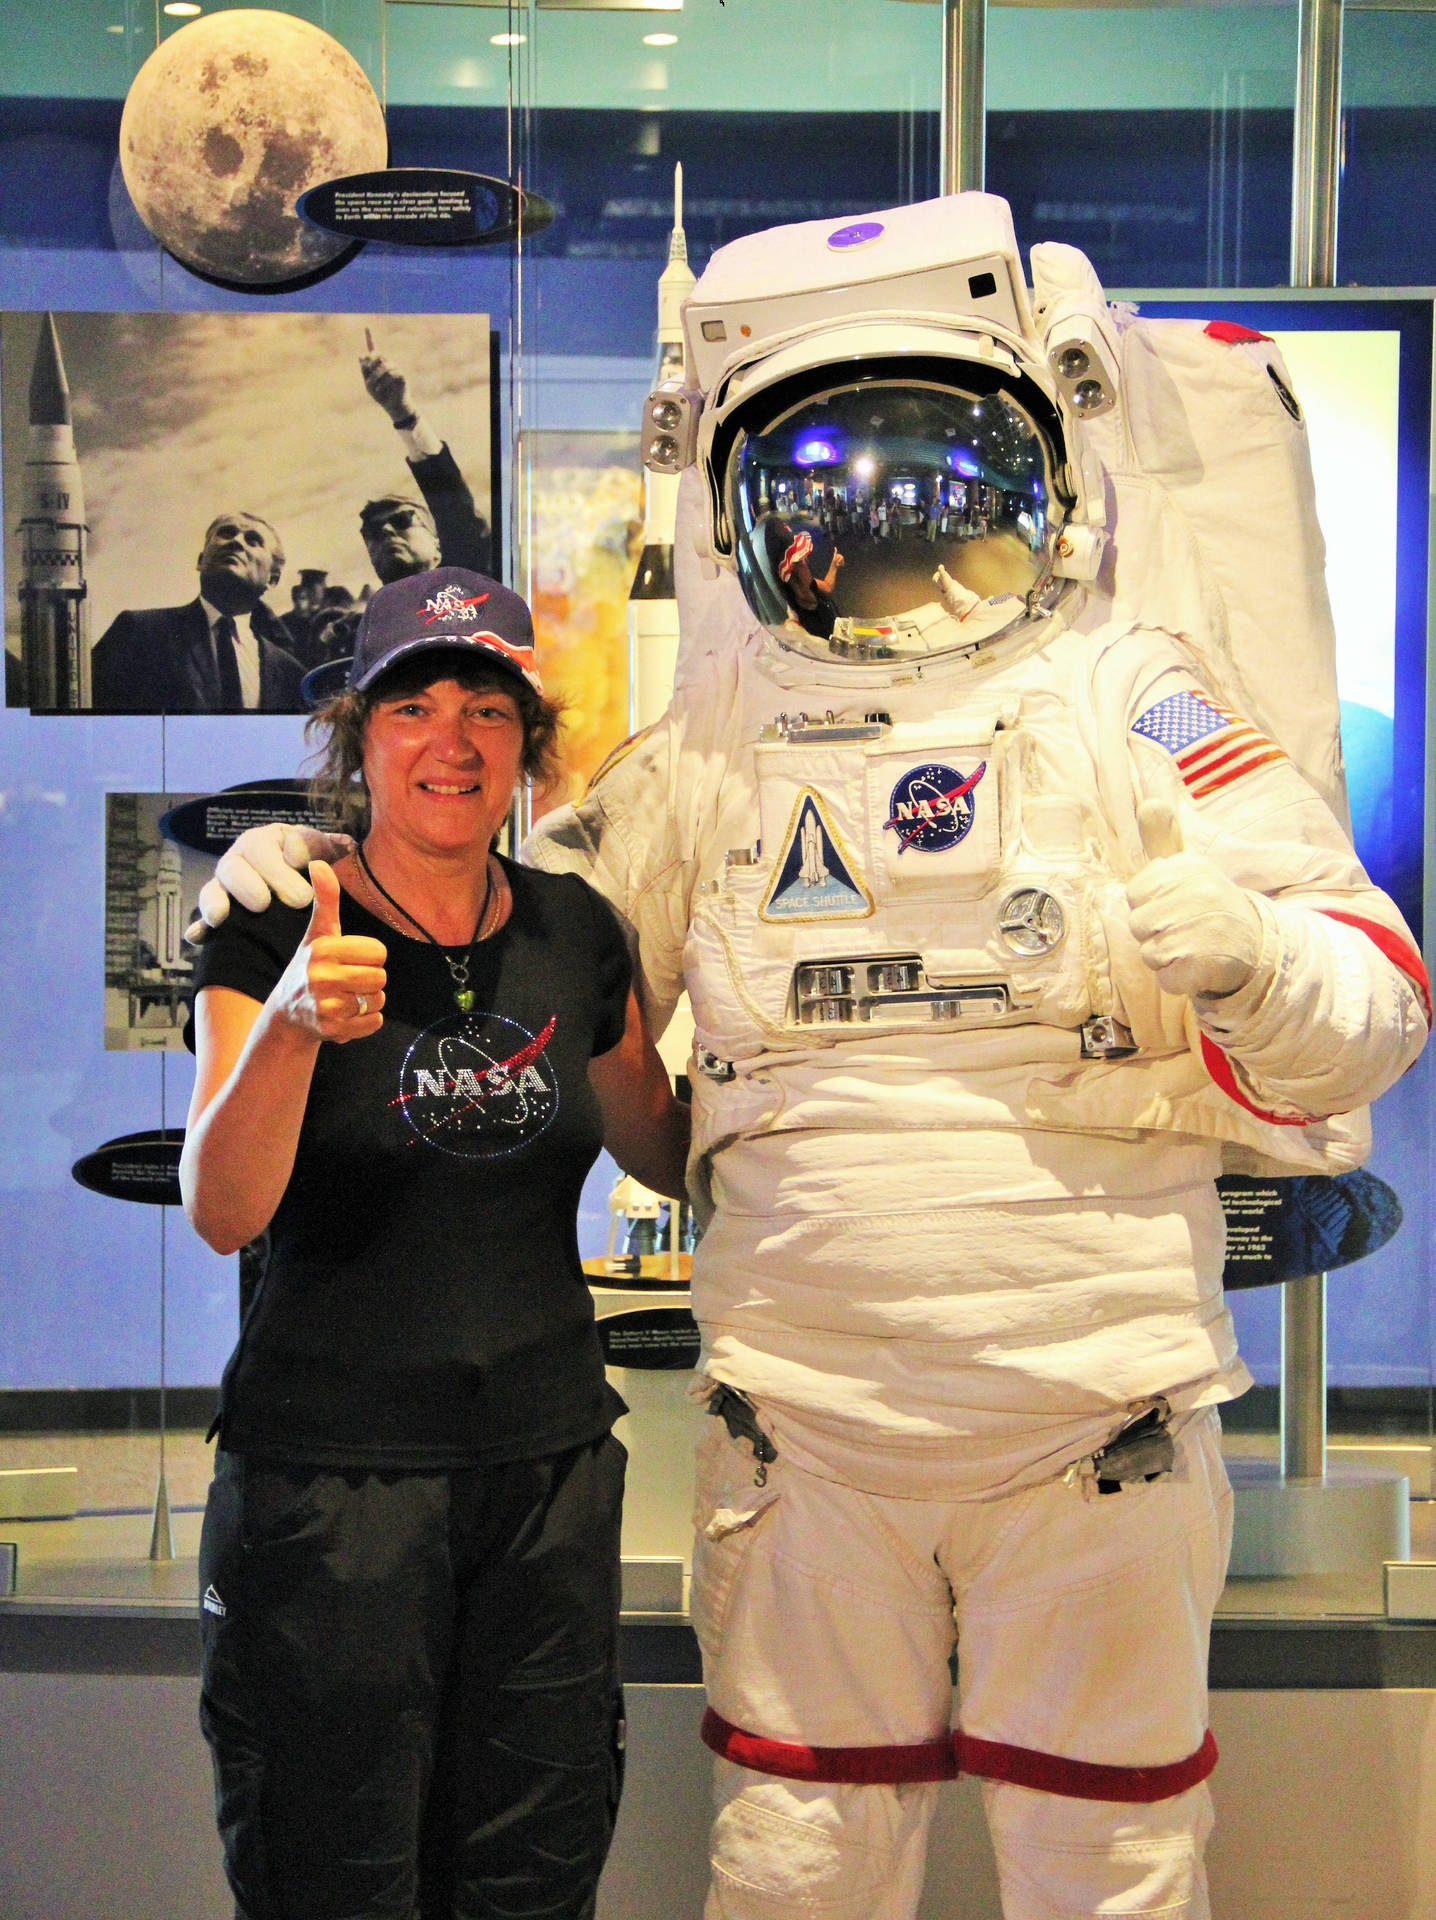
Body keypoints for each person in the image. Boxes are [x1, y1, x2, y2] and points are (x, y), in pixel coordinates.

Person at [190, 195, 1431, 1920]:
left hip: (1091, 1413)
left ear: (1041, 474)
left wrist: (1256, 961)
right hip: (810, 1431)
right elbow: (524, 926)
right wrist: (293, 874)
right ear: (747, 507)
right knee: (797, 1857)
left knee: (1107, 1859)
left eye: (931, 472)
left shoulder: (1128, 696)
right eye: (825, 481)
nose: (880, 524)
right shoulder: (724, 746)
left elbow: (1370, 995)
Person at [180, 563, 689, 1920]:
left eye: (487, 708)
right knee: (332, 1883)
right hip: (330, 1492)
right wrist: (291, 1025)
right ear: (360, 734)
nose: (451, 743)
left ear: (528, 743)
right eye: (414, 707)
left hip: (544, 1478)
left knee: (533, 1878)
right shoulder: (278, 920)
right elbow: (222, 1206)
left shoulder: (578, 933)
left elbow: (667, 1145)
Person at [91, 510, 305, 714]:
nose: (237, 541)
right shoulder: (138, 631)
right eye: (226, 533)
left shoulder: (290, 673)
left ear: (273, 579)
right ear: (201, 560)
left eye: (253, 540)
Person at [360, 331, 491, 580]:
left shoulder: (471, 587)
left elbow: (456, 515)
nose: (386, 531)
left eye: (402, 520)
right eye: (373, 532)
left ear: (437, 543)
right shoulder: (365, 620)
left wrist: (403, 414)